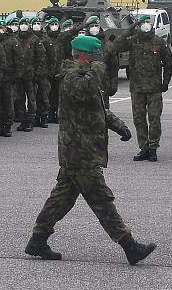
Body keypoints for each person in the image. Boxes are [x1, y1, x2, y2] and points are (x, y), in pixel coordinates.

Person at [25, 35, 156, 266]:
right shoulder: (70, 77)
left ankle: (38, 239)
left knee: (61, 199)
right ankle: (129, 245)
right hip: (79, 151)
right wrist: (98, 67)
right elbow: (86, 90)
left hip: (81, 150)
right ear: (84, 56)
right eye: (96, 57)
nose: (100, 61)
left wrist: (118, 126)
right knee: (101, 200)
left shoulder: (84, 75)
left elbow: (98, 109)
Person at [112, 13, 172, 162]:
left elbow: (168, 63)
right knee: (139, 119)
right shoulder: (133, 41)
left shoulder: (159, 42)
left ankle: (153, 148)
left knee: (154, 119)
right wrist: (132, 26)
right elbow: (116, 45)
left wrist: (165, 82)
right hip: (137, 88)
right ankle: (143, 148)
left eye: (148, 22)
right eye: (143, 22)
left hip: (154, 88)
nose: (146, 25)